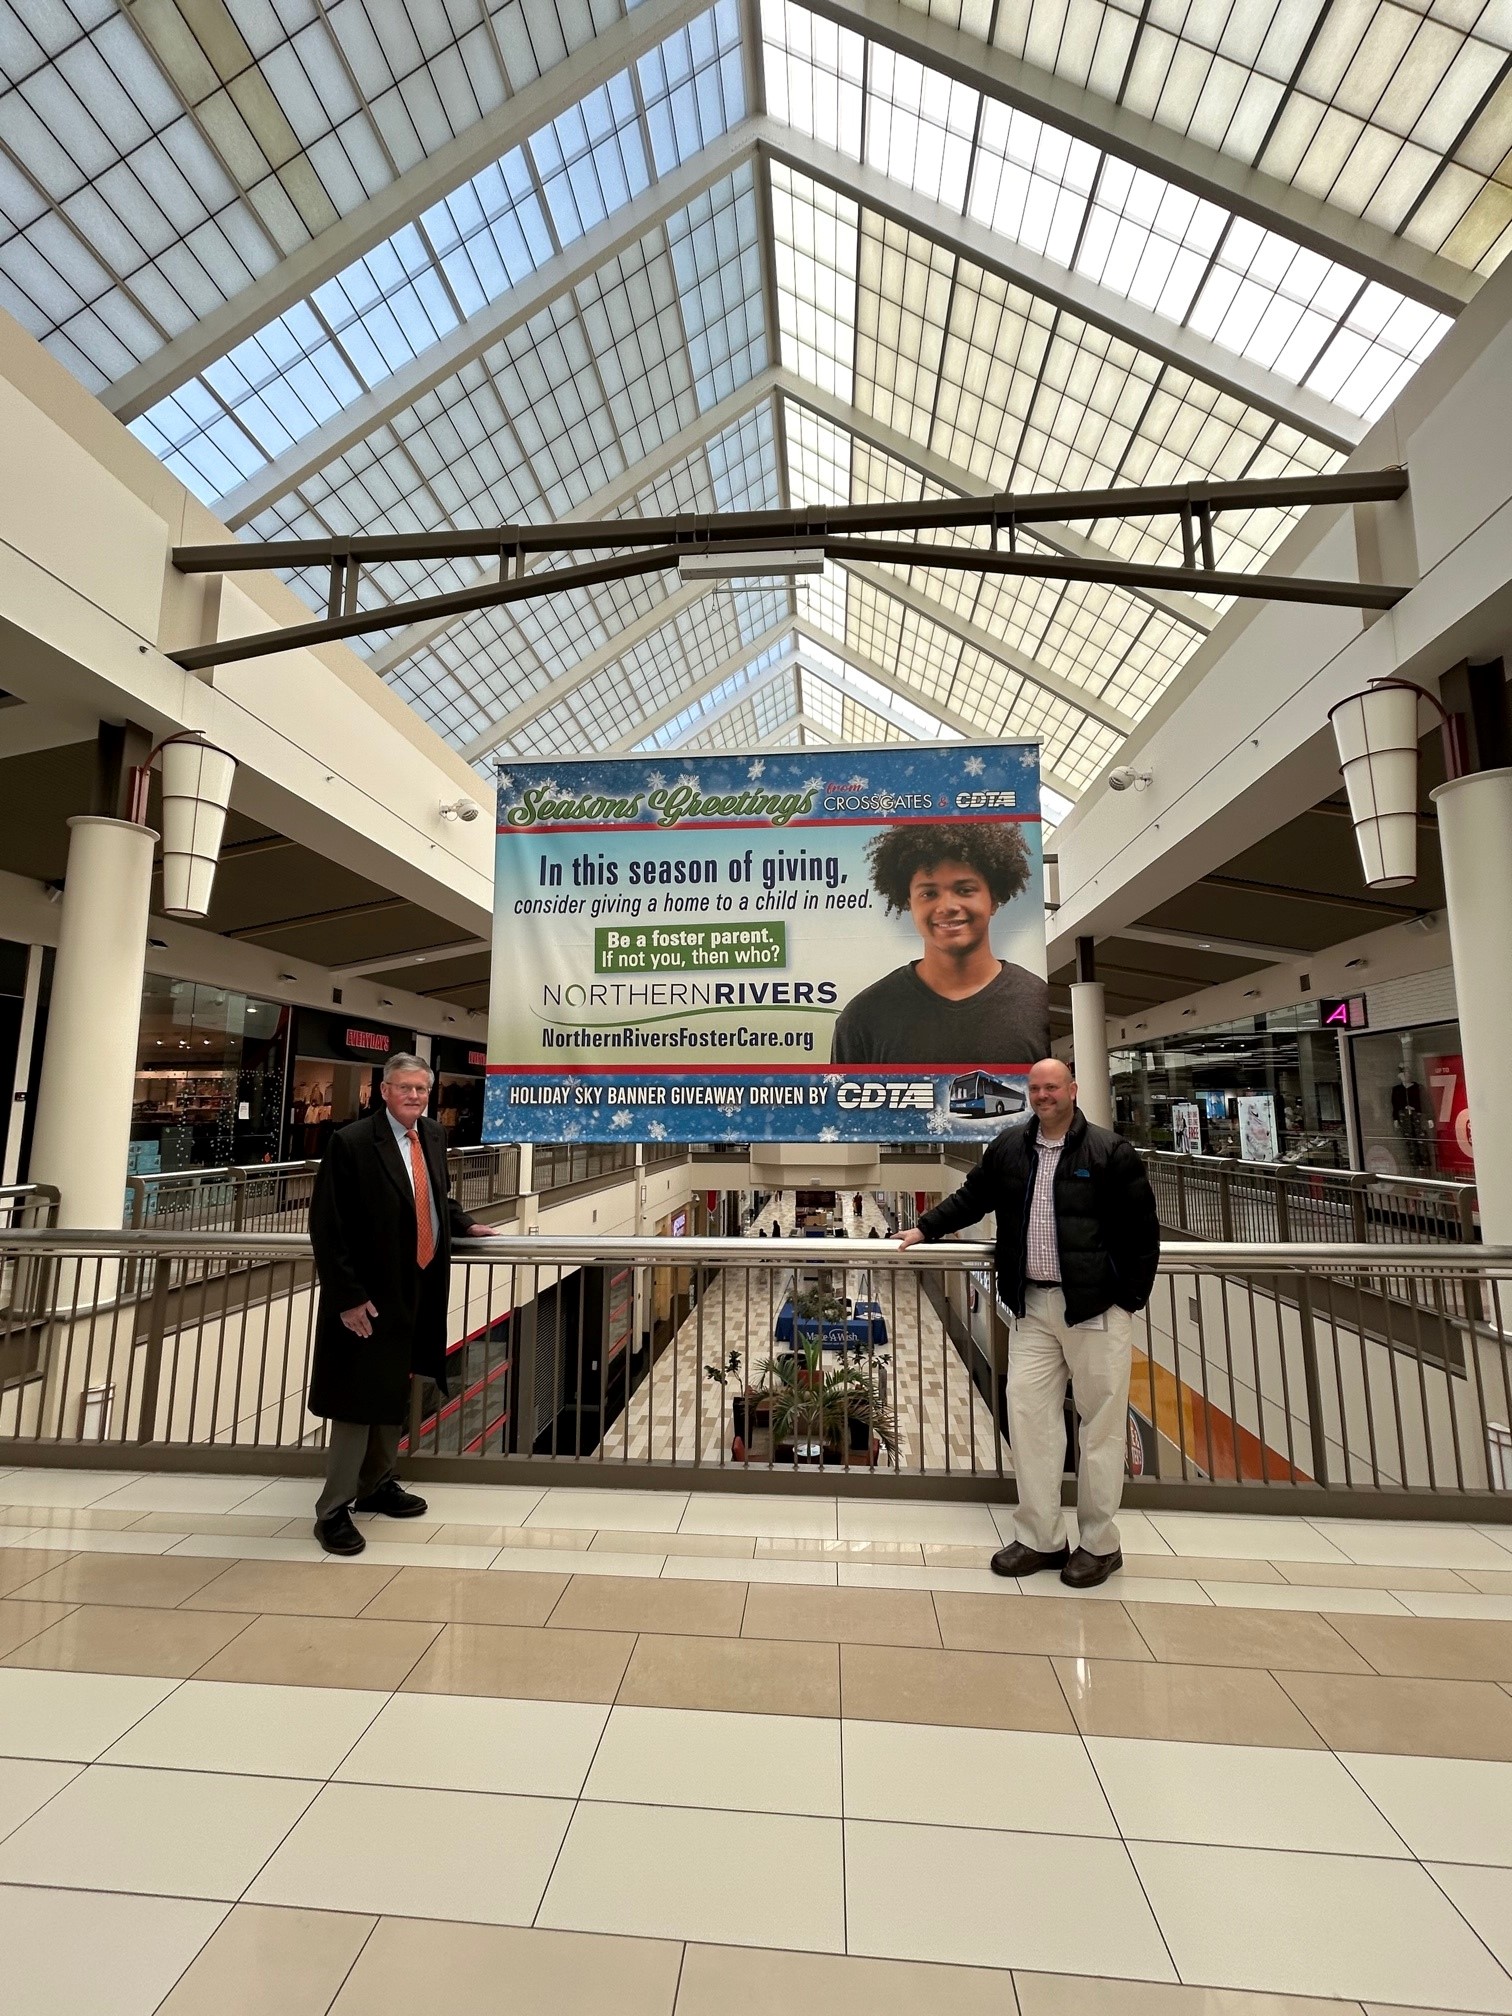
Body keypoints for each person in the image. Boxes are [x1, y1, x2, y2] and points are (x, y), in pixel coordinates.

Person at [896, 1057, 1159, 1588]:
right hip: (1031, 1307)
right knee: (1030, 1420)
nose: (1043, 1096)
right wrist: (924, 1229)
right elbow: (973, 1197)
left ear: (1072, 1090)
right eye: (1035, 1088)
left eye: (1052, 1087)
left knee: (1100, 1427)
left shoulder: (1109, 1152)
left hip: (1094, 1310)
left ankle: (1100, 1545)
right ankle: (1041, 1538)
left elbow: (1141, 1233)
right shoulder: (1009, 1147)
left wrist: (1125, 1300)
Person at [308, 1052, 499, 1555]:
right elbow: (328, 1226)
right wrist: (348, 1298)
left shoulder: (431, 1135)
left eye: (421, 1088)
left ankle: (377, 1483)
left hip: (417, 1286)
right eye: (404, 1087)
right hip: (368, 1295)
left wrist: (463, 1223)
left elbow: (434, 1196)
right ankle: (333, 1510)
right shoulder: (352, 1142)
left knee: (395, 1386)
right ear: (385, 1091)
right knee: (356, 1399)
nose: (414, 1096)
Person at [830, 822, 1048, 1066]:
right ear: (908, 903)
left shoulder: (1038, 1004)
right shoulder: (863, 1017)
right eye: (929, 893)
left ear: (994, 899)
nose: (947, 906)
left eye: (965, 890)